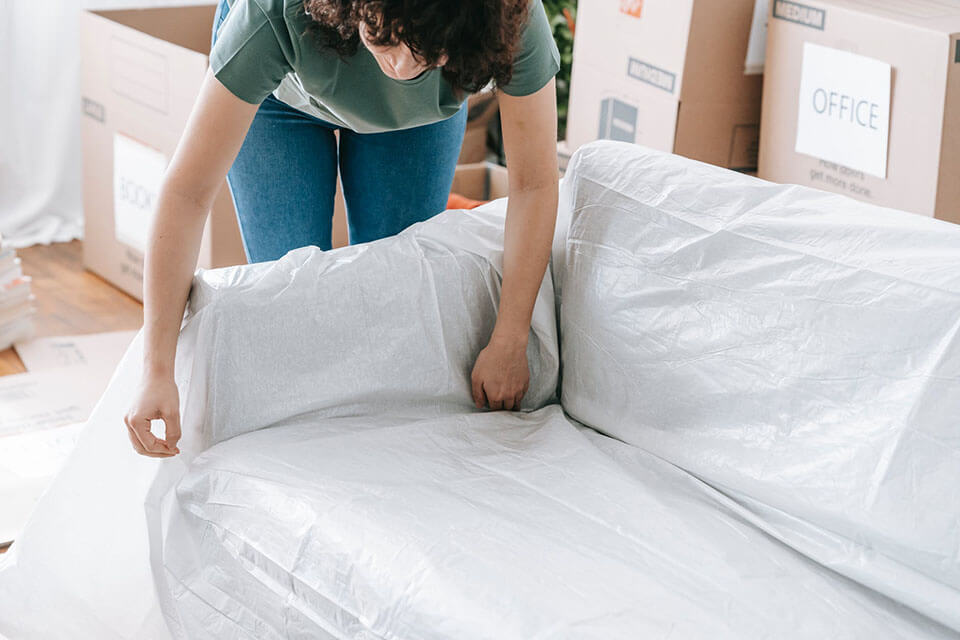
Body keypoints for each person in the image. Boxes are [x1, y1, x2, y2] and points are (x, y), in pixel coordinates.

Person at [124, 0, 561, 458]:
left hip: (418, 114)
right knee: (289, 313)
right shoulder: (276, 10)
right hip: (285, 93)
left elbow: (533, 183)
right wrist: (156, 368)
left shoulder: (505, 17)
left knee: (396, 297)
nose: (399, 66)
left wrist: (511, 337)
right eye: (387, 41)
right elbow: (188, 191)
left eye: (424, 54)